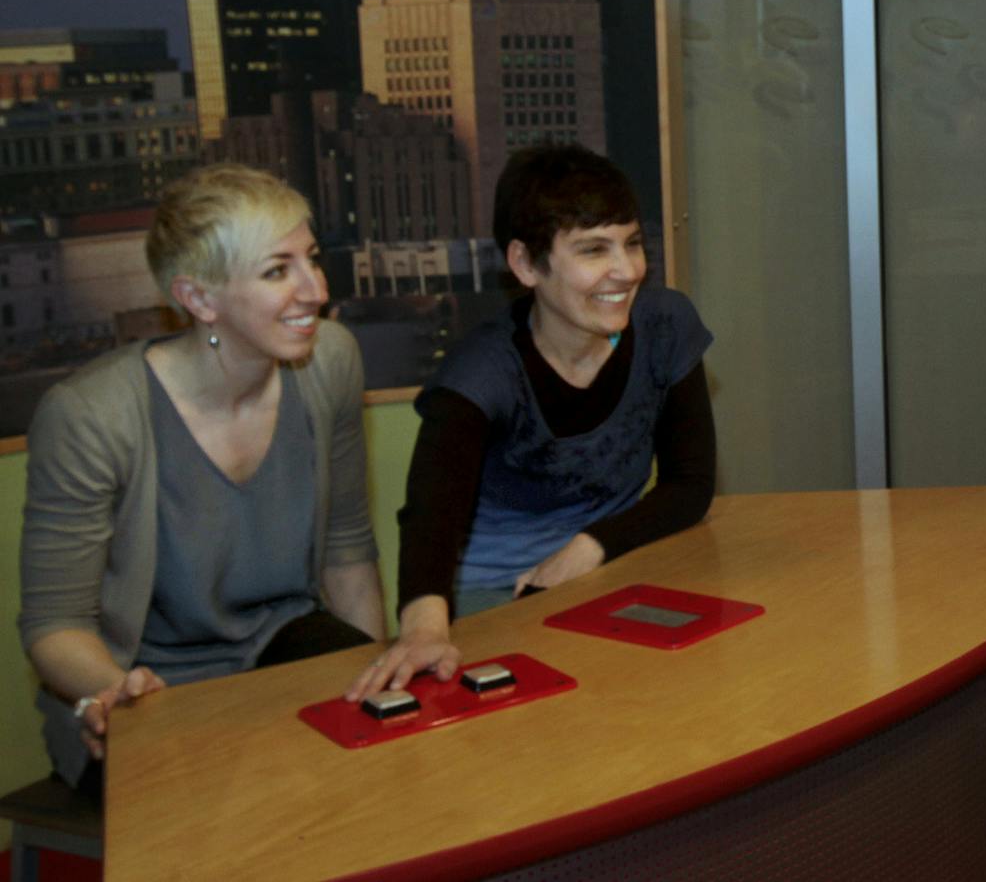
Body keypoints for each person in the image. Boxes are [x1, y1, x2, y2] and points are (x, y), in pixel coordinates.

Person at [18, 163, 383, 789]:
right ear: (198, 299)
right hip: (145, 678)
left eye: (312, 259)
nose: (316, 289)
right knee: (230, 800)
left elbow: (347, 550)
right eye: (277, 271)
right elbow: (54, 626)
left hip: (283, 646)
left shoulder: (332, 361)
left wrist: (374, 687)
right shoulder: (91, 414)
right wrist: (114, 688)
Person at [347, 143, 715, 700]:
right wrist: (423, 630)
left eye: (633, 243)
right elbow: (429, 518)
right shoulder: (481, 372)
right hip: (496, 591)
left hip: (615, 563)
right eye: (594, 250)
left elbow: (691, 485)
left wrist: (590, 547)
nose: (627, 270)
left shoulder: (666, 324)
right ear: (525, 264)